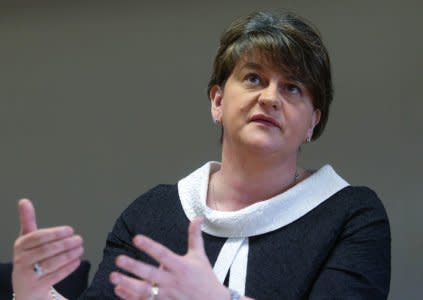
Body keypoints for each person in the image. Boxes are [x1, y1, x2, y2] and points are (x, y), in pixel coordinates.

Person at [12, 11, 391, 300]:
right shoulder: (152, 212)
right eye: (254, 78)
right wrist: (32, 292)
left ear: (312, 122)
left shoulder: (352, 216)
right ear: (218, 101)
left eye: (292, 88)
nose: (270, 98)